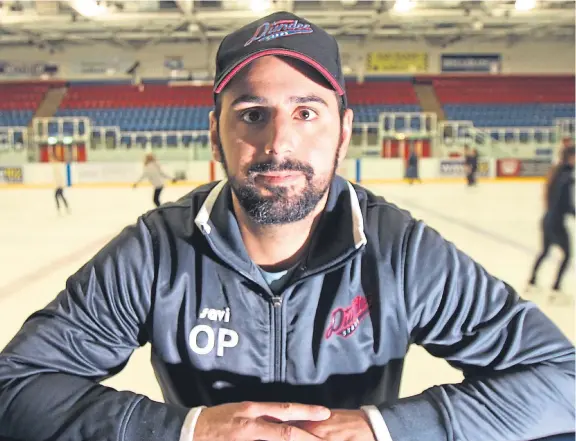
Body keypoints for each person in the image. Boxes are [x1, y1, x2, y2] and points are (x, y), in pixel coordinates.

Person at [0, 11, 574, 441]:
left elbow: (561, 379)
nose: (279, 143)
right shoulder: (156, 252)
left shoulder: (400, 252)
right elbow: (15, 388)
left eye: (306, 112)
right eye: (253, 115)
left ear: (344, 131)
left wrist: (384, 429)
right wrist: (184, 430)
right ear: (214, 131)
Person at [527, 145, 575, 299]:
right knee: (567, 255)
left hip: (547, 219)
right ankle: (555, 288)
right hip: (556, 222)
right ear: (570, 157)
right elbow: (565, 204)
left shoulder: (556, 172)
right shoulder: (566, 177)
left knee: (545, 251)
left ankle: (532, 281)